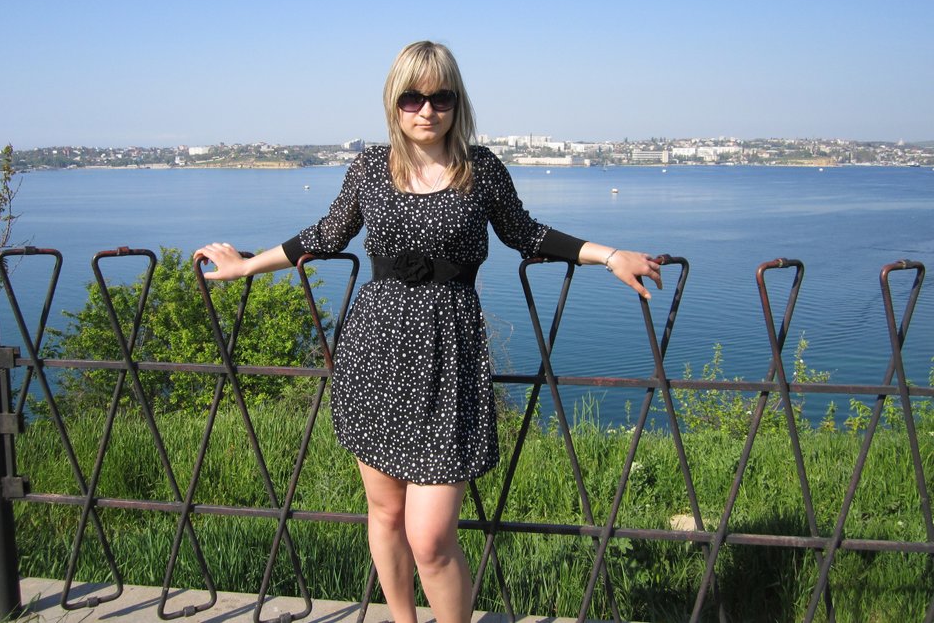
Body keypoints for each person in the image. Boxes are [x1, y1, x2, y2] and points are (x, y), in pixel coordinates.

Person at [195, 40, 662, 623]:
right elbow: (325, 234)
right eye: (412, 97)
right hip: (376, 354)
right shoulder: (370, 167)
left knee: (432, 538)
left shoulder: (480, 168)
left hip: (450, 357)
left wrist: (610, 254)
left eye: (441, 97)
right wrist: (244, 266)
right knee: (386, 515)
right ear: (393, 102)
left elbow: (526, 233)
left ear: (457, 102)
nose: (426, 110)